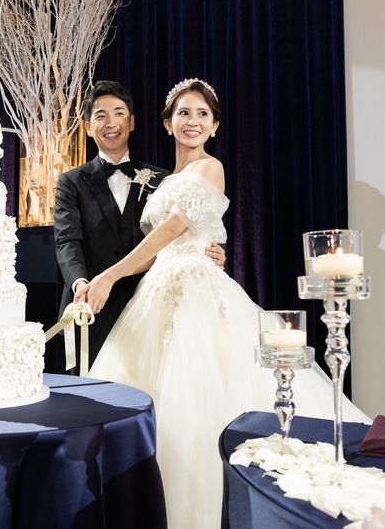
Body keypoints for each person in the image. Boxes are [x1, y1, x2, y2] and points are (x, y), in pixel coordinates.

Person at [86, 78, 371, 528]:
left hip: (198, 292)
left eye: (203, 114)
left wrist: (111, 273)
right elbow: (160, 249)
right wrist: (107, 278)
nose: (193, 121)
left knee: (199, 392)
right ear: (167, 123)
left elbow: (173, 229)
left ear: (215, 126)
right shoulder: (166, 180)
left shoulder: (210, 168)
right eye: (184, 113)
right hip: (157, 290)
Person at [54, 80, 225, 369]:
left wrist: (205, 251)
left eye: (119, 113)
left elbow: (175, 230)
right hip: (91, 303)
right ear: (87, 127)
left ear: (132, 122)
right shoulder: (71, 181)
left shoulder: (160, 178)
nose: (111, 123)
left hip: (148, 302)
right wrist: (82, 284)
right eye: (101, 115)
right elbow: (67, 241)